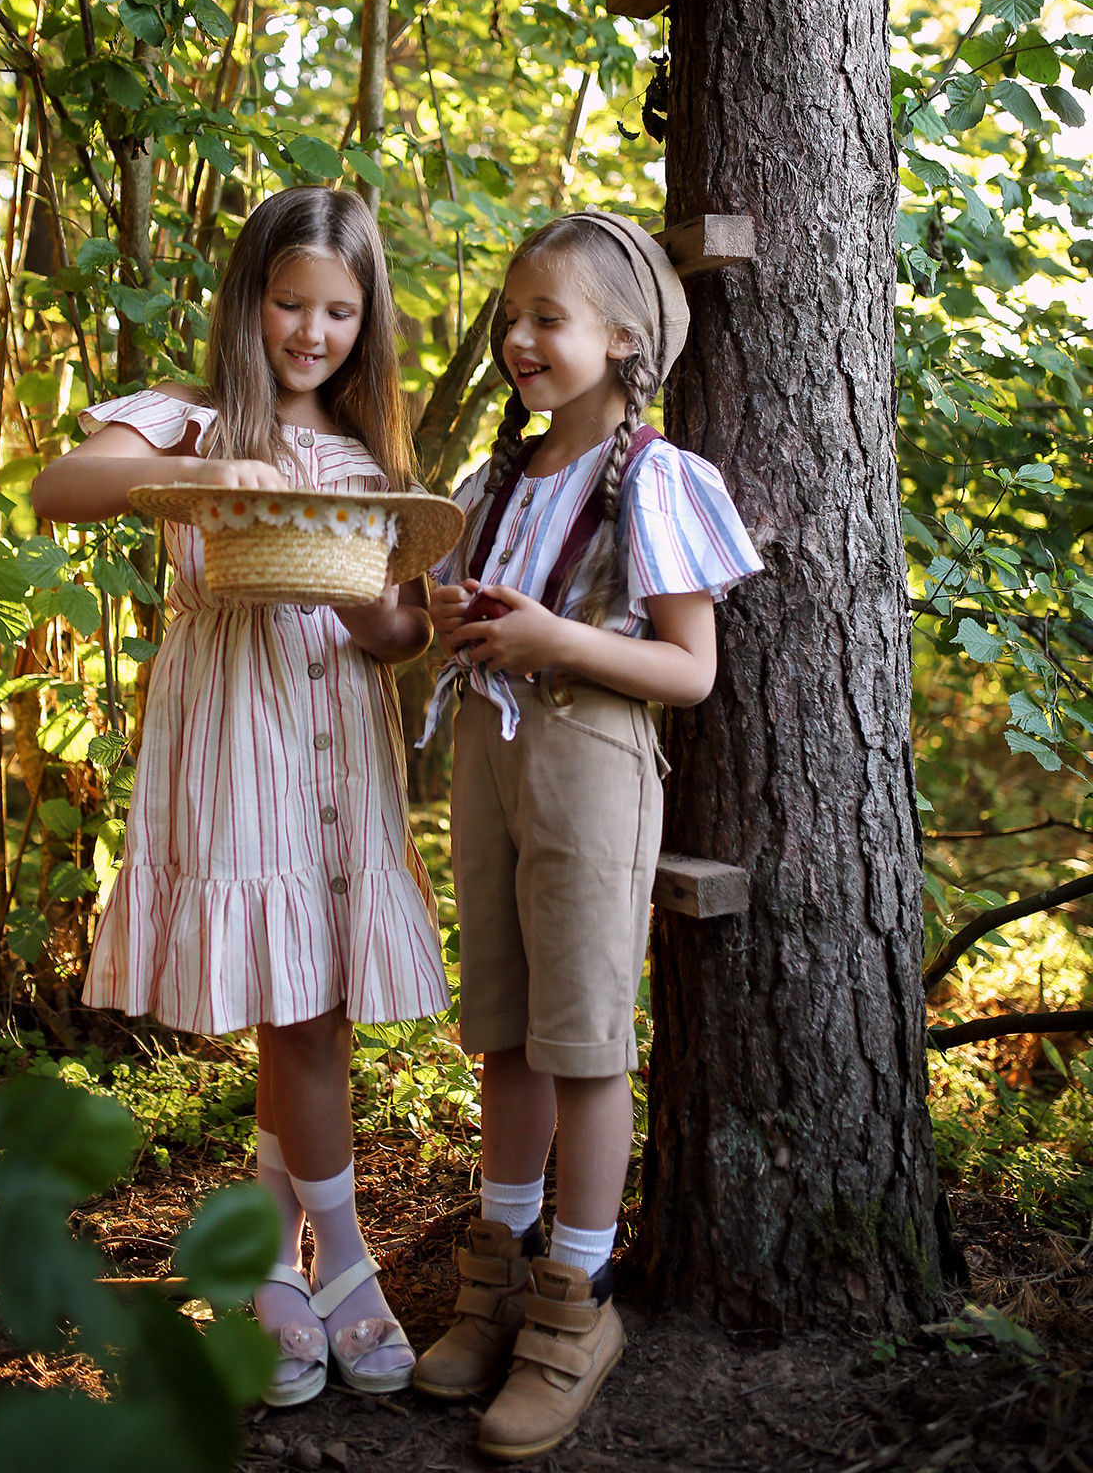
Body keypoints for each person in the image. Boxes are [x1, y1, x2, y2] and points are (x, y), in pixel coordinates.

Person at [31, 186, 448, 1406]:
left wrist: (377, 607)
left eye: (337, 310)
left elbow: (399, 631)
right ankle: (349, 1269)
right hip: (241, 740)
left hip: (343, 752)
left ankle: (269, 1269)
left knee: (306, 1005)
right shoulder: (189, 418)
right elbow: (60, 488)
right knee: (301, 1010)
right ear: (249, 302)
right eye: (288, 303)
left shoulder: (371, 457)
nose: (310, 332)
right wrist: (217, 458)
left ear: (364, 321)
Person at [414, 212, 763, 1461]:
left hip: (593, 766)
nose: (518, 338)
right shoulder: (494, 483)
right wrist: (453, 612)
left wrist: (552, 638)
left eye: (545, 320)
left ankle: (576, 1298)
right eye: (510, 318)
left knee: (581, 1036)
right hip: (491, 764)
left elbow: (688, 668)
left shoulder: (655, 477)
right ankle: (498, 1269)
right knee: (504, 1025)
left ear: (623, 342)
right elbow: (443, 614)